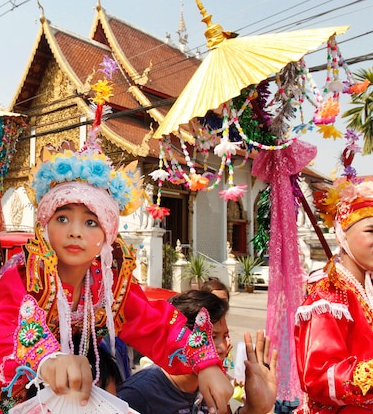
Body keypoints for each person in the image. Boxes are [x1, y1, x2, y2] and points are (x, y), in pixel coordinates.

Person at [0, 143, 233, 413]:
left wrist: (206, 364)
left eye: (91, 222)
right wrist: (46, 359)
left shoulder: (109, 286)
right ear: (44, 225)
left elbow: (156, 324)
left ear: (107, 233)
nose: (75, 232)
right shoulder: (27, 275)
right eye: (63, 218)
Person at [117, 290, 277, 414]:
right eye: (213, 337)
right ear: (182, 337)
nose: (223, 347)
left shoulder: (213, 384)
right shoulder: (137, 395)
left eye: (225, 336)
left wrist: (254, 409)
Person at [294, 176, 373, 414]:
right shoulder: (330, 296)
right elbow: (318, 376)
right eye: (371, 230)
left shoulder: (366, 289)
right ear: (342, 234)